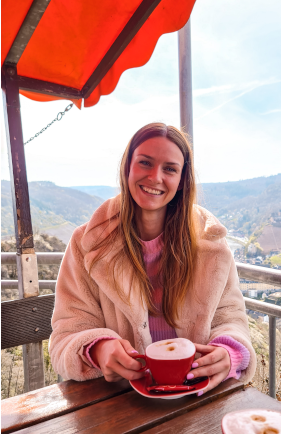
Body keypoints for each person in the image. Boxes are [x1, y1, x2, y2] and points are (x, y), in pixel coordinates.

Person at [50, 123, 256, 394]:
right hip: (119, 402)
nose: (155, 177)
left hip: (195, 397)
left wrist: (231, 353)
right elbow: (66, 336)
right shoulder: (87, 244)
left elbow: (230, 317)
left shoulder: (210, 243)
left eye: (169, 169)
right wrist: (98, 348)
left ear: (182, 180)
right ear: (128, 168)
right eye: (145, 163)